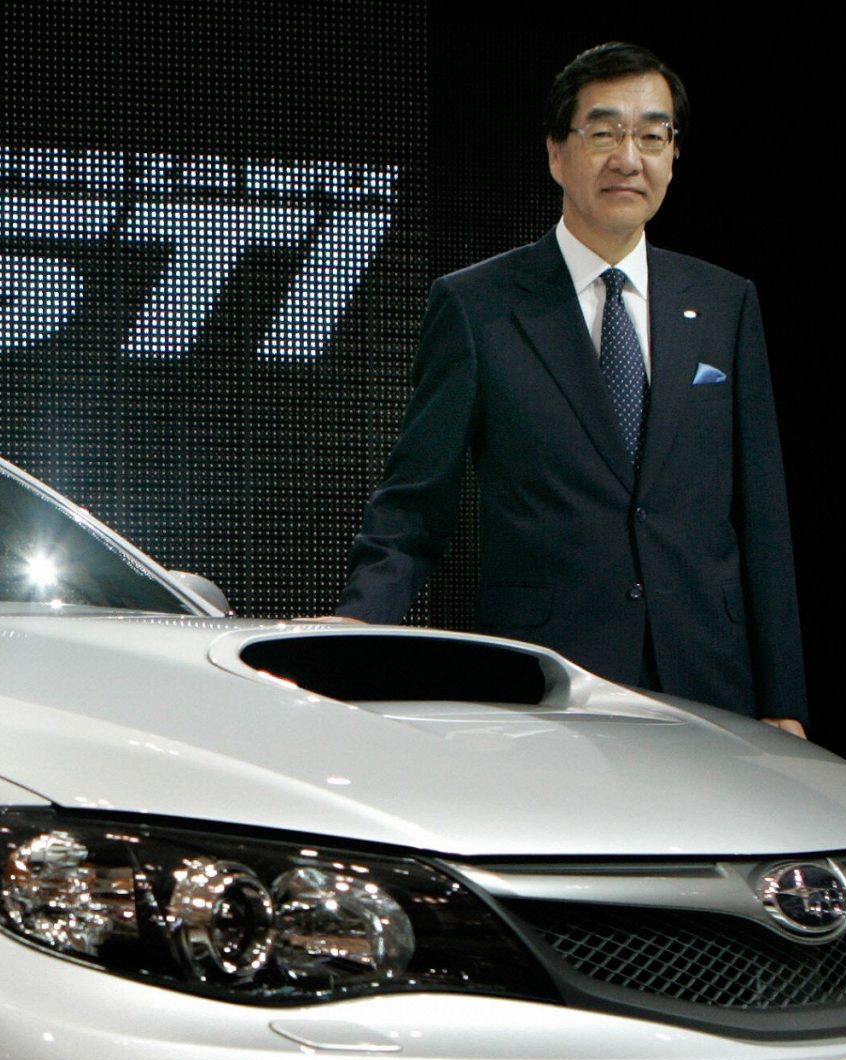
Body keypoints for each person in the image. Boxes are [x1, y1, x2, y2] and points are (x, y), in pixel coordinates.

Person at [339, 42, 807, 736]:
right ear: (557, 153)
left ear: (673, 155)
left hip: (708, 678)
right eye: (604, 132)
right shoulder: (478, 306)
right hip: (548, 682)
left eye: (653, 135)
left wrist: (785, 699)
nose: (629, 157)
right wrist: (351, 632)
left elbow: (763, 516)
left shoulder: (723, 303)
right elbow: (415, 504)